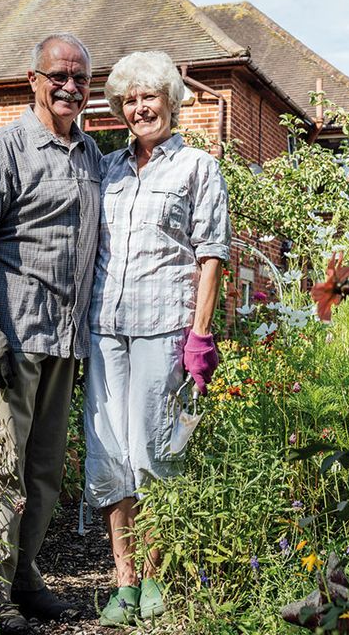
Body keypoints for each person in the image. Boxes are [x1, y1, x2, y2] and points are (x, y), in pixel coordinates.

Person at [0, 33, 101, 635]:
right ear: (33, 80)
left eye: (81, 78)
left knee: (43, 470)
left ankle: (25, 575)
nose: (70, 86)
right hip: (13, 334)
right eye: (58, 75)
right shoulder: (3, 148)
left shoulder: (93, 155)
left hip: (66, 339)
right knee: (2, 467)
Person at [83, 51, 230, 626]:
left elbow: (211, 253)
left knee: (152, 452)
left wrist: (200, 333)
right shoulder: (109, 168)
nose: (141, 108)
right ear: (120, 109)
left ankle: (156, 577)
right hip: (103, 327)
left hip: (163, 326)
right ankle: (123, 579)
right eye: (130, 100)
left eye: (151, 97)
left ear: (171, 101)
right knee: (110, 455)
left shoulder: (196, 168)